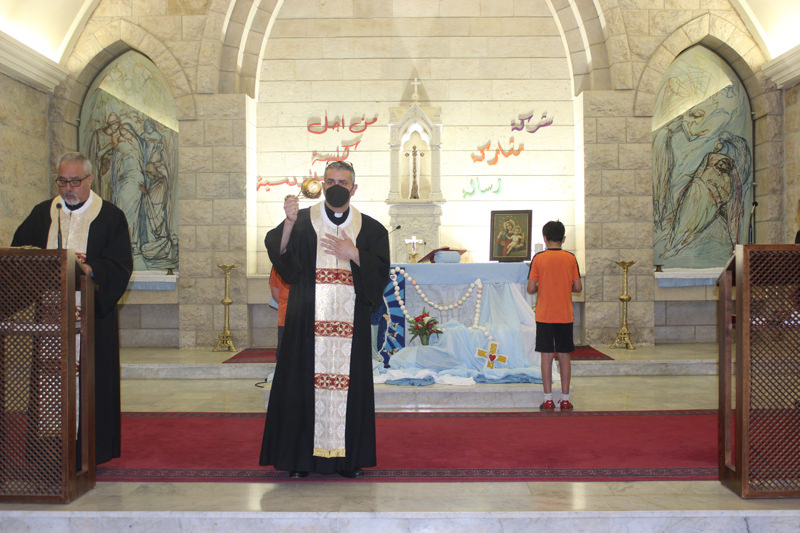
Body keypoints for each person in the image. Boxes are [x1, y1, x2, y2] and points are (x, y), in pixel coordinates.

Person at [259, 160, 390, 478]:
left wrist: (354, 253)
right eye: (330, 181)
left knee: (351, 390)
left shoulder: (371, 229)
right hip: (306, 324)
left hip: (351, 328)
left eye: (342, 182)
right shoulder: (302, 221)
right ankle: (299, 461)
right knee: (300, 387)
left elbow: (380, 273)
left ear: (354, 188)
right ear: (322, 184)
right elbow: (280, 255)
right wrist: (288, 223)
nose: (335, 187)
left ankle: (348, 461)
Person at [12, 152, 133, 464]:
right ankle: (48, 451)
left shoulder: (110, 216)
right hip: (49, 322)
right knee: (49, 385)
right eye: (62, 181)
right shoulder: (44, 214)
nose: (68, 188)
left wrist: (91, 270)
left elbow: (120, 265)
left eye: (75, 182)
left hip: (92, 321)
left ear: (90, 180)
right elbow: (19, 256)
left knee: (92, 384)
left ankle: (90, 451)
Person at [526, 220, 582, 411]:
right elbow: (578, 287)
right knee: (565, 355)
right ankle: (565, 399)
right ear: (563, 239)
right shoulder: (570, 258)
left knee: (547, 356)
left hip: (545, 315)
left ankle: (548, 398)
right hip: (565, 315)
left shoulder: (539, 258)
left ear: (544, 238)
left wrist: (543, 286)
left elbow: (530, 288)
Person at [268, 265, 290, 358]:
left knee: (284, 353)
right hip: (305, 314)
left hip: (285, 313)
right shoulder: (308, 261)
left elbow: (275, 293)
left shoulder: (278, 264)